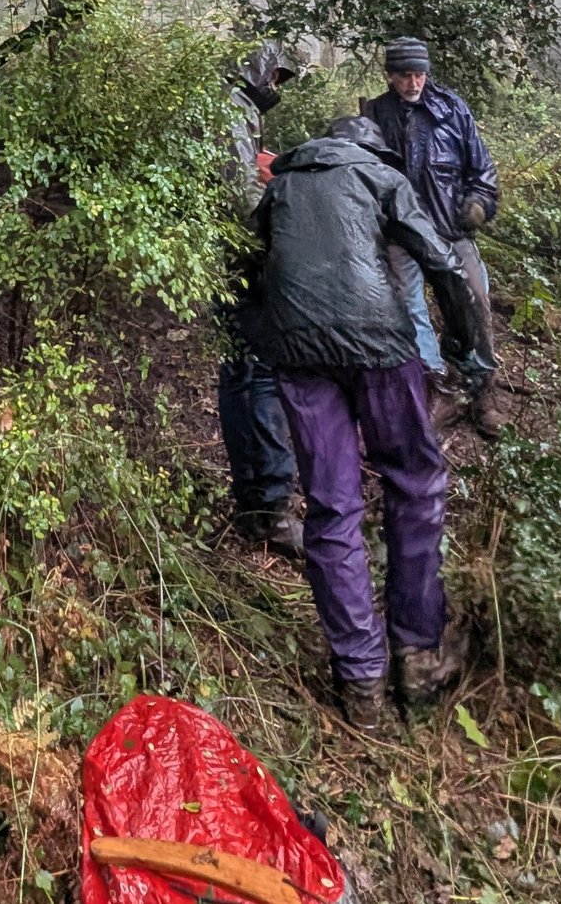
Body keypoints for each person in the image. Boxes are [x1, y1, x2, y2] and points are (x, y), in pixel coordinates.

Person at [242, 113, 480, 731]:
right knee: (415, 482)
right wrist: (465, 347)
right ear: (374, 152)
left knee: (331, 505)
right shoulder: (382, 178)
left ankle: (361, 681)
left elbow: (247, 266)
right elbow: (443, 263)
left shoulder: (281, 185)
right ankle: (418, 654)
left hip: (299, 355)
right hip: (381, 347)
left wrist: (268, 335)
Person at [360, 37, 502, 432]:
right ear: (390, 76)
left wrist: (478, 204)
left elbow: (483, 171)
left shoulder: (452, 109)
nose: (414, 83)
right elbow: (364, 176)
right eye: (405, 75)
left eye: (419, 74)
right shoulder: (375, 114)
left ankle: (482, 390)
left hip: (450, 230)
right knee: (409, 307)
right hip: (401, 233)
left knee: (475, 300)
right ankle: (436, 387)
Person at [219, 42, 303, 556]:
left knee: (239, 374)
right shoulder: (232, 108)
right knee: (260, 375)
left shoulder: (234, 107)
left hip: (227, 258)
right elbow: (241, 198)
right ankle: (271, 507)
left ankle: (255, 504)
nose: (275, 86)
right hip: (241, 260)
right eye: (274, 75)